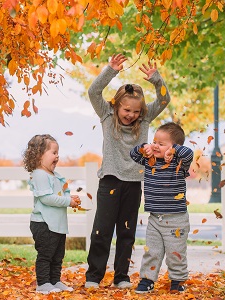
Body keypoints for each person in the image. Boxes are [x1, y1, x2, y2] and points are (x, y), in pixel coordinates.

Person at [85, 53, 171, 289]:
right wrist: (110, 70)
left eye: (135, 111)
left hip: (133, 183)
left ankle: (121, 276)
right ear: (117, 106)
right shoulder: (106, 115)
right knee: (101, 231)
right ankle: (93, 276)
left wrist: (157, 80)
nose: (130, 115)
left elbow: (164, 100)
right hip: (110, 181)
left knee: (126, 232)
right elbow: (93, 92)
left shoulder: (144, 120)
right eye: (126, 110)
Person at [129, 122, 194, 293]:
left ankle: (178, 281)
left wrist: (174, 150)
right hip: (155, 218)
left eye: (161, 143)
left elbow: (189, 153)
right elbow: (133, 154)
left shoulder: (179, 162)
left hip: (176, 219)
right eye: (154, 141)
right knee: (152, 251)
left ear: (173, 146)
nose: (155, 146)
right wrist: (145, 147)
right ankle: (147, 280)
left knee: (175, 253)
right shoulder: (149, 160)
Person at [23, 134, 81, 294]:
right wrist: (68, 202)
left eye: (58, 153)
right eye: (53, 152)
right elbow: (47, 198)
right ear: (39, 154)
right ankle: (43, 283)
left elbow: (59, 195)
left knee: (57, 255)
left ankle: (54, 280)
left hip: (57, 224)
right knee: (46, 255)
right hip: (44, 223)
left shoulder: (54, 175)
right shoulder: (39, 175)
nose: (57, 156)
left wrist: (70, 198)